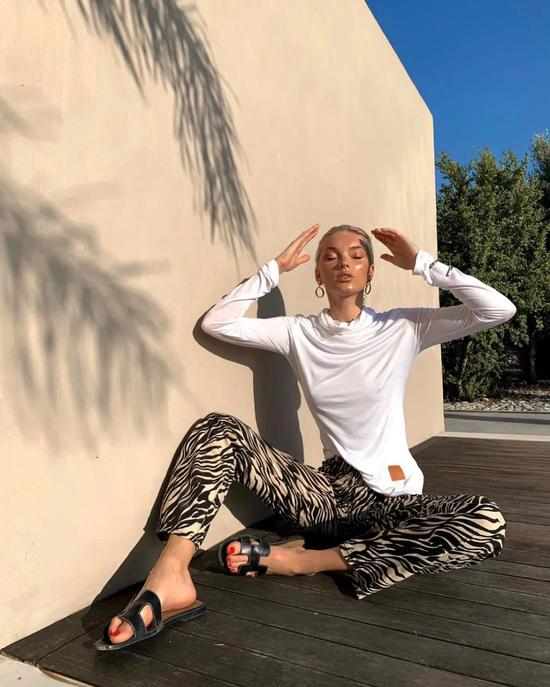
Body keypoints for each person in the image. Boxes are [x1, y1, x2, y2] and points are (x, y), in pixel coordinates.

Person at [101, 223, 516, 647]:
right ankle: (172, 574)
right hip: (326, 496)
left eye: (356, 256)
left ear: (371, 271)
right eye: (330, 257)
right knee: (217, 429)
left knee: (486, 521)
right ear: (318, 274)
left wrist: (423, 264)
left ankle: (306, 561)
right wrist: (273, 271)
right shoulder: (299, 331)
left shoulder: (404, 326)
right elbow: (216, 323)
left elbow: (497, 310)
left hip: (394, 500)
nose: (343, 263)